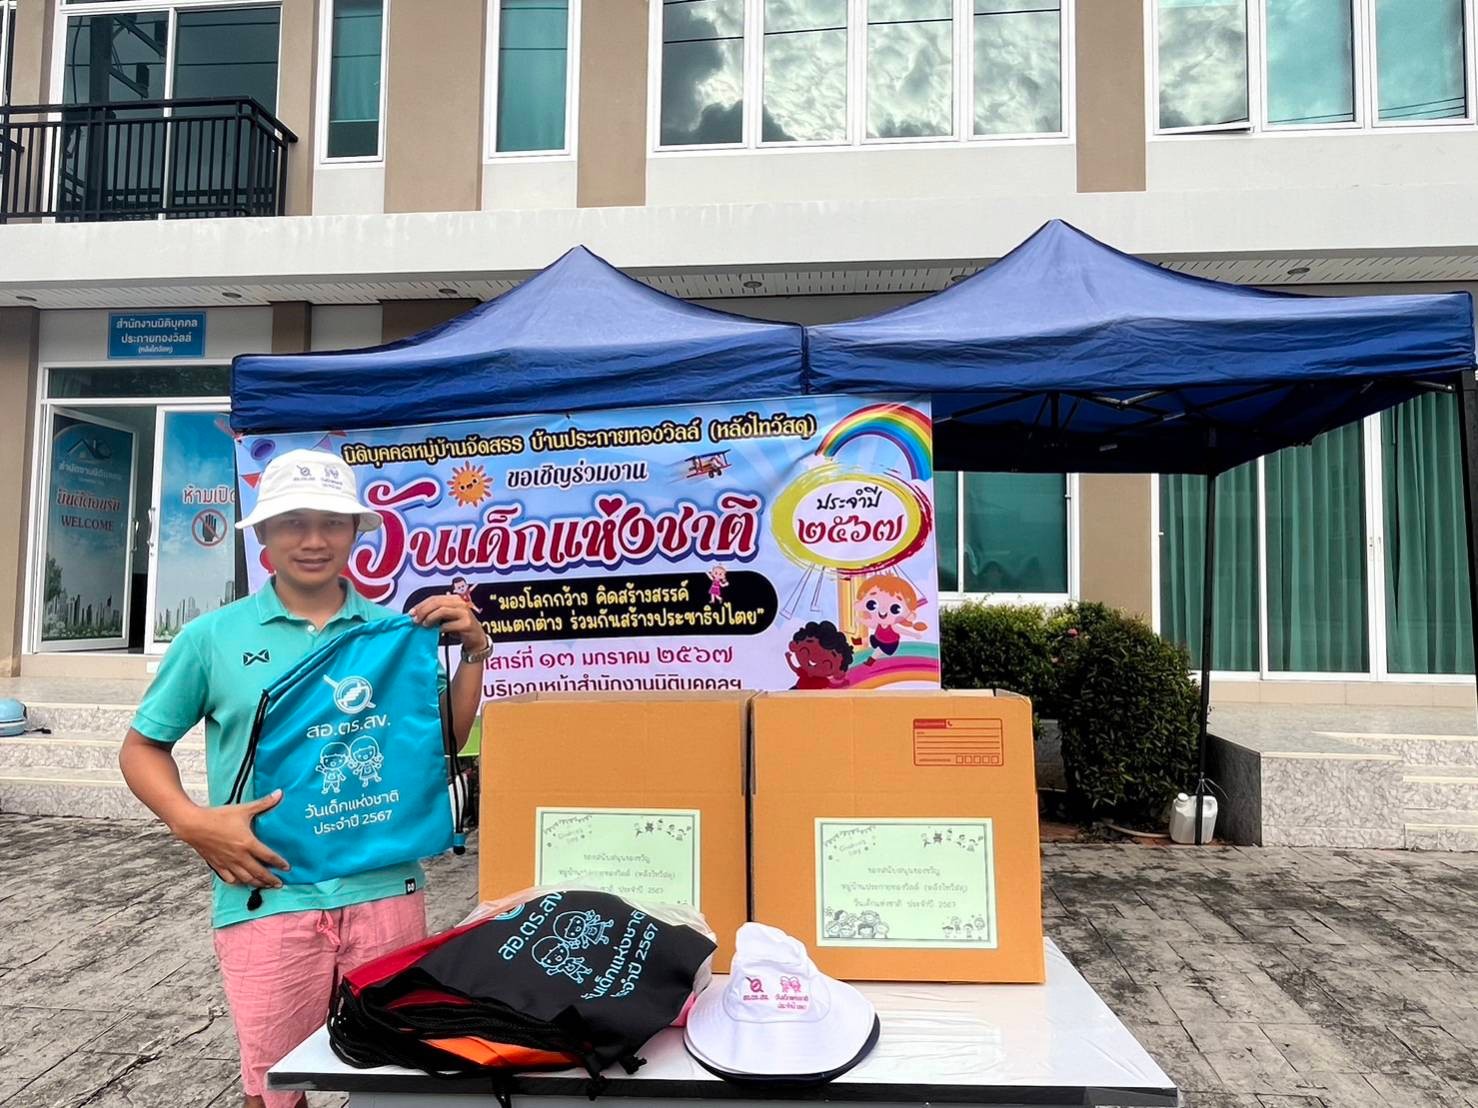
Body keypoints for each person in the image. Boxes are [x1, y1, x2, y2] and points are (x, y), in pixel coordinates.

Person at [118, 448, 492, 1108]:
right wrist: (192, 822)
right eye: (293, 522)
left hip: (386, 887)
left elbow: (442, 743)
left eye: (331, 522)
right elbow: (143, 747)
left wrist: (474, 655)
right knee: (273, 1085)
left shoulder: (393, 634)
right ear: (263, 532)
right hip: (267, 894)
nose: (313, 540)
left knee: (393, 1078)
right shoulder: (212, 637)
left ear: (355, 533)